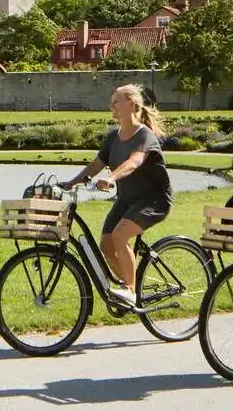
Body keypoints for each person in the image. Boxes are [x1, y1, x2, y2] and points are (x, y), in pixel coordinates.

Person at [66, 84, 172, 305]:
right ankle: (128, 289)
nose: (111, 105)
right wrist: (70, 183)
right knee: (106, 244)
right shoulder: (114, 137)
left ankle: (131, 290)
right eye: (111, 101)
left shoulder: (145, 136)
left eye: (117, 101)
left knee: (120, 235)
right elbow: (96, 164)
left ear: (132, 104)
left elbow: (134, 161)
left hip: (154, 200)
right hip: (126, 199)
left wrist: (112, 178)